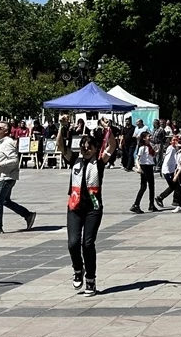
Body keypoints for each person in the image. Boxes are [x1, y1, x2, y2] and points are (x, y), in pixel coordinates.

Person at [61, 119, 117, 296]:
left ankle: (91, 280)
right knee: (73, 243)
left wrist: (108, 128)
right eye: (83, 147)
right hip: (75, 207)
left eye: (89, 147)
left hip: (93, 207)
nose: (85, 150)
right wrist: (63, 127)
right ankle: (78, 269)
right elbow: (60, 145)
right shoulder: (74, 161)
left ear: (95, 148)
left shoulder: (99, 163)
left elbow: (112, 146)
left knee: (88, 243)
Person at [0, 121, 37, 234]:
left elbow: (14, 161)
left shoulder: (7, 143)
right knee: (5, 201)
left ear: (6, 131)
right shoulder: (3, 142)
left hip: (6, 177)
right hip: (5, 176)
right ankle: (28, 215)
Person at [157, 134, 181, 211]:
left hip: (173, 170)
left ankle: (179, 201)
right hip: (168, 170)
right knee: (176, 187)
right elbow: (167, 160)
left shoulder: (177, 150)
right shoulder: (172, 149)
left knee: (178, 187)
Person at [130, 131, 159, 213]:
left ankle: (151, 204)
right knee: (144, 186)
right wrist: (139, 167)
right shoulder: (142, 147)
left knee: (151, 186)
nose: (150, 137)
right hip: (145, 167)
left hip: (149, 166)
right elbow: (137, 158)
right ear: (144, 138)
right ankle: (136, 204)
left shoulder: (149, 146)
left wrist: (156, 152)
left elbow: (150, 157)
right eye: (148, 136)